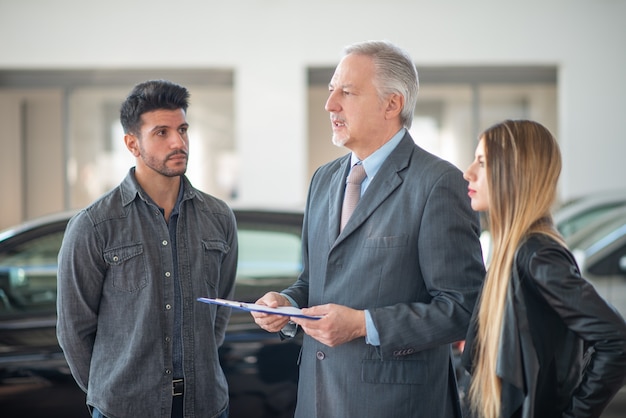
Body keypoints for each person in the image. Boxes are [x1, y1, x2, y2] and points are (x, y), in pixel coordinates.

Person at [251, 40, 486, 417]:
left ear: (392, 104)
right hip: (317, 400)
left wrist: (364, 325)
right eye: (331, 91)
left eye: (347, 92)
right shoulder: (324, 180)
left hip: (395, 406)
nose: (330, 105)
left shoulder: (437, 183)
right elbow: (314, 282)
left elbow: (465, 307)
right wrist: (287, 305)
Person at [56, 80, 237, 418]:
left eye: (182, 129)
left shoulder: (219, 217)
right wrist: (112, 390)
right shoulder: (93, 225)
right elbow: (73, 330)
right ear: (132, 143)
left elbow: (218, 313)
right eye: (162, 133)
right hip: (125, 409)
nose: (178, 142)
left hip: (206, 406)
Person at [461, 119, 626, 418]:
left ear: (513, 174)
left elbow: (616, 340)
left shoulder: (537, 254)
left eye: (482, 163)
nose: (468, 172)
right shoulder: (511, 249)